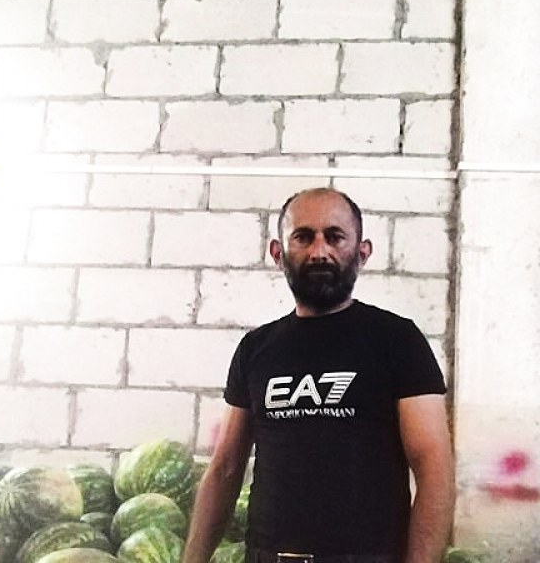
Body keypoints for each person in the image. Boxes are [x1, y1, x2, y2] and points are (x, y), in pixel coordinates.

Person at [183, 187, 455, 563]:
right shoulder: (255, 349)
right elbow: (225, 468)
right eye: (303, 237)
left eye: (335, 236)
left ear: (362, 253)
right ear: (278, 253)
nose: (319, 251)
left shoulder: (397, 340)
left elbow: (434, 469)